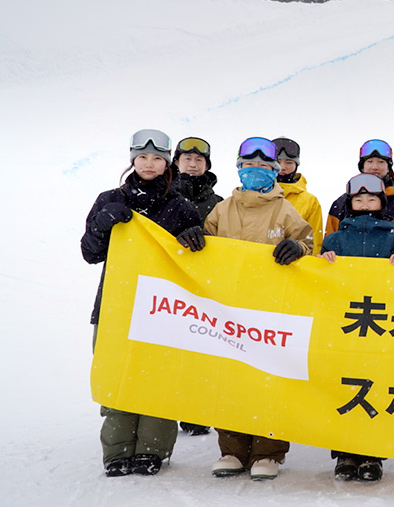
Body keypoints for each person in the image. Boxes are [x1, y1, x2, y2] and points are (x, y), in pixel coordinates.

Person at [81, 129, 202, 477]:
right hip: (116, 304)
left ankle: (153, 449)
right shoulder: (109, 199)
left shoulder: (179, 206)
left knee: (158, 379)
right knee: (118, 375)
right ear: (132, 159)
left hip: (164, 309)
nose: (149, 164)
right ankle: (117, 450)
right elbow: (90, 253)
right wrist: (103, 225)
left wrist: (195, 240)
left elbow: (198, 263)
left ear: (167, 164)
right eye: (143, 157)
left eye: (157, 159)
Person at [194, 137, 314, 482]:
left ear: (275, 172)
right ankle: (231, 449)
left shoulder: (282, 208)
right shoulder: (223, 208)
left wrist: (298, 247)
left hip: (271, 309)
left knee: (270, 377)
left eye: (263, 168)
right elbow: (206, 243)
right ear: (239, 169)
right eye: (249, 167)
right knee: (231, 376)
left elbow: (307, 241)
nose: (255, 173)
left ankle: (268, 451)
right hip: (229, 307)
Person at [319, 173, 394, 482]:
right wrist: (324, 260)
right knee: (344, 386)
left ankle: (372, 454)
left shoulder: (393, 238)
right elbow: (317, 277)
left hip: (380, 326)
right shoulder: (335, 239)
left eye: (371, 199)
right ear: (349, 204)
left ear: (382, 204)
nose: (364, 203)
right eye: (358, 199)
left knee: (376, 385)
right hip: (345, 325)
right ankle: (345, 453)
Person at [170, 136, 223, 436]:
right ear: (176, 163)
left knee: (203, 347)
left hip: (206, 287)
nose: (193, 163)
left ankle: (196, 410)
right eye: (187, 159)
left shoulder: (218, 204)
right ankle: (168, 406)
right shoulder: (161, 196)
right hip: (168, 284)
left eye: (199, 160)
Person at [326, 139, 394, 253]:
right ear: (362, 166)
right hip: (348, 268)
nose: (375, 167)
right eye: (370, 161)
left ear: (388, 167)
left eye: (381, 162)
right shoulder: (342, 203)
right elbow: (329, 244)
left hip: (386, 269)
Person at [273, 136, 325, 249]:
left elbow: (315, 242)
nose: (282, 167)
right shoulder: (255, 194)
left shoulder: (310, 201)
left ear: (296, 165)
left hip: (293, 263)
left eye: (289, 162)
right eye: (277, 162)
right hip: (257, 263)